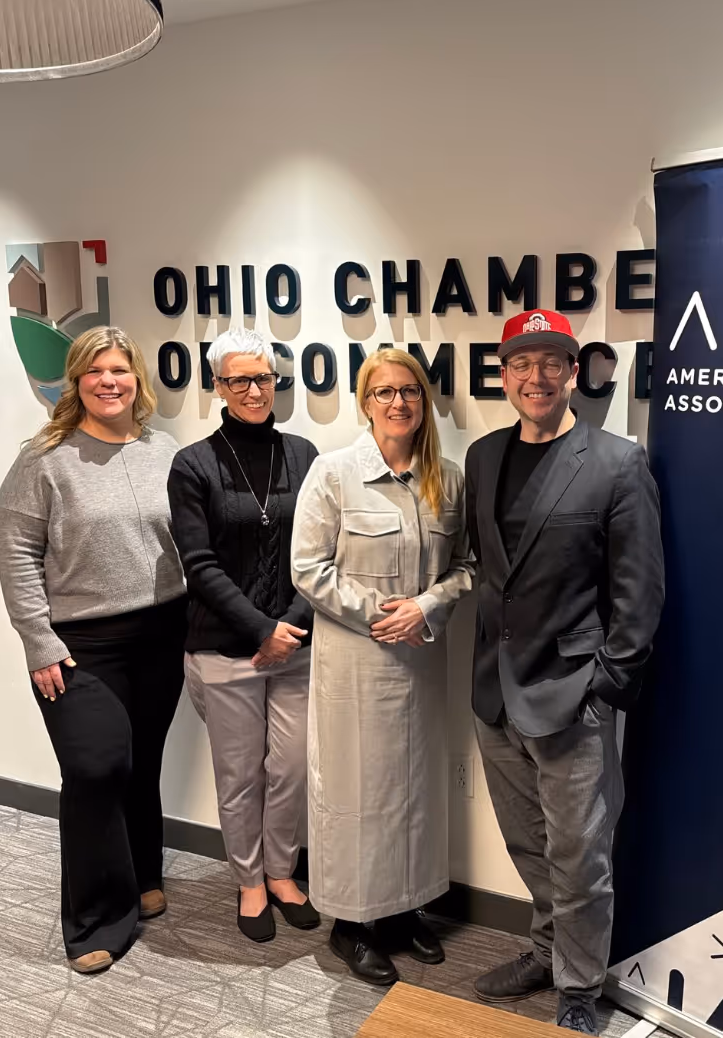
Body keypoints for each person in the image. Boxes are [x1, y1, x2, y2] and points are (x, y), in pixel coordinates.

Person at [465, 309, 665, 1035]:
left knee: (581, 855)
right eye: (522, 363)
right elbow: (488, 574)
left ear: (573, 373)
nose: (536, 376)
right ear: (504, 373)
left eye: (552, 362)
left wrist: (607, 684)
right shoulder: (483, 457)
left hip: (573, 697)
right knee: (528, 844)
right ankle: (547, 950)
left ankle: (580, 988)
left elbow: (638, 592)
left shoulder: (617, 461)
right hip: (494, 693)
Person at [0, 327, 187, 976]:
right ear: (75, 381)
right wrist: (38, 641)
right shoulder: (44, 459)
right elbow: (16, 555)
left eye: (121, 370)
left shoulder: (164, 451)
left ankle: (141, 875)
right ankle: (95, 919)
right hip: (79, 647)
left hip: (161, 635)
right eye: (95, 371)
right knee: (96, 766)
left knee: (141, 762)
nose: (110, 382)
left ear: (138, 379)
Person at [291, 348, 474, 986]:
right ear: (365, 403)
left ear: (424, 403)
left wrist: (424, 606)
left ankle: (402, 911)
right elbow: (309, 568)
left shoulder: (446, 479)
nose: (398, 403)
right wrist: (379, 613)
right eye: (384, 392)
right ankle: (351, 924)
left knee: (413, 793)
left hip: (420, 662)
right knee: (354, 792)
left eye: (410, 392)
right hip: (354, 664)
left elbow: (468, 566)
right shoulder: (333, 474)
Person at [167, 328, 320, 943]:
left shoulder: (305, 455)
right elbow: (198, 565)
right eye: (239, 380)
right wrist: (263, 628)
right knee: (241, 775)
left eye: (263, 378)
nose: (254, 390)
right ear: (217, 387)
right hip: (224, 649)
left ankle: (282, 872)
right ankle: (250, 881)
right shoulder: (194, 465)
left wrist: (293, 624)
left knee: (290, 767)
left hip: (298, 644)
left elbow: (321, 551)